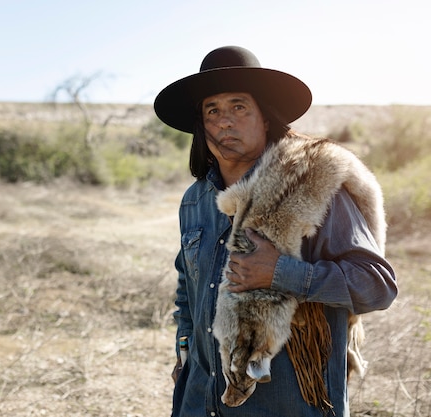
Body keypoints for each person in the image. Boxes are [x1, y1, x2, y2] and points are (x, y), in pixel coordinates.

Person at [153, 46, 398, 417]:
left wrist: (282, 272)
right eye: (212, 110)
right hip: (202, 400)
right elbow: (188, 293)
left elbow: (377, 287)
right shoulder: (196, 199)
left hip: (289, 403)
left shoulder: (314, 186)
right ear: (201, 125)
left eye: (239, 107)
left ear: (265, 118)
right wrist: (184, 356)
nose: (225, 122)